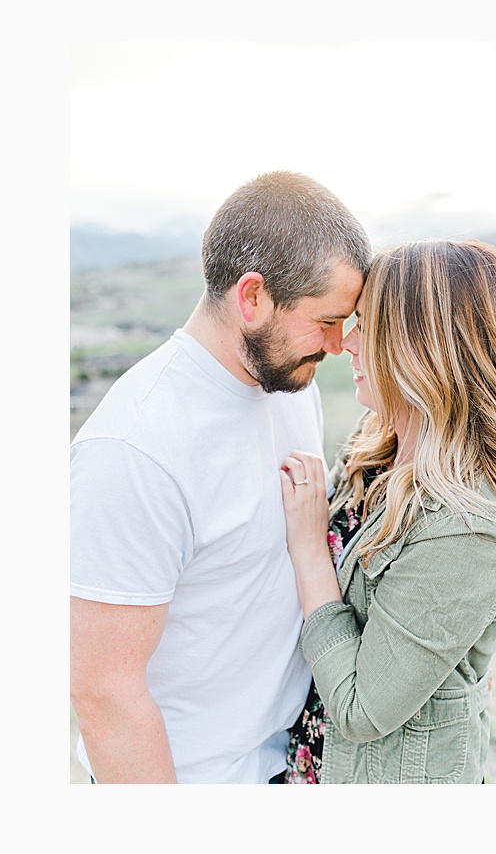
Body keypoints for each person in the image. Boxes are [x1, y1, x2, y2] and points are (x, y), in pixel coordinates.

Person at [70, 172, 370, 784]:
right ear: (252, 297)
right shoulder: (131, 450)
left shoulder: (288, 384)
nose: (341, 345)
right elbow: (104, 694)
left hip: (291, 763)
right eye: (327, 320)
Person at [275, 239, 496, 784]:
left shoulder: (466, 531)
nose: (347, 343)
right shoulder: (375, 450)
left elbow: (361, 709)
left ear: (420, 349)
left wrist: (309, 547)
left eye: (368, 327)